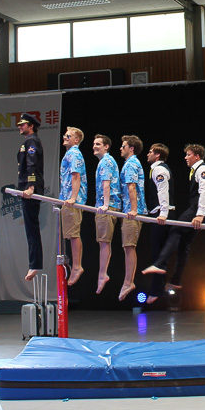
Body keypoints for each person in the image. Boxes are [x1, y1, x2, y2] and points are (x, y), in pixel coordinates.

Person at [142, 144, 205, 289]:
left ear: (197, 156)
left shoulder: (203, 170)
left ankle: (160, 264)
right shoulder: (195, 170)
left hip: (199, 208)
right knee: (184, 243)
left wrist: (200, 214)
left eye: (188, 155)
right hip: (198, 208)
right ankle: (176, 280)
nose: (185, 157)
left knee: (175, 229)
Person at [118, 135, 147, 301]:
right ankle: (128, 281)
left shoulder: (131, 164)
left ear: (131, 148)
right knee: (127, 246)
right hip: (129, 209)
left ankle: (128, 282)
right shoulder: (131, 163)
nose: (120, 149)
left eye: (123, 146)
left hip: (133, 210)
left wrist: (134, 209)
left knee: (129, 246)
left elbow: (132, 187)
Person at [144, 143, 175, 304]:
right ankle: (159, 288)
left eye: (150, 152)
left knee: (158, 253)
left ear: (157, 155)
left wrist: (163, 214)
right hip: (160, 212)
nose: (147, 154)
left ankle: (157, 290)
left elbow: (163, 191)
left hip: (162, 214)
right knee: (159, 254)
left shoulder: (159, 170)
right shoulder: (155, 169)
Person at [16, 113, 44, 282]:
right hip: (26, 188)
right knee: (30, 228)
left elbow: (32, 165)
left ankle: (35, 264)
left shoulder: (32, 141)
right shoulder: (27, 141)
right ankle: (34, 263)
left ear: (31, 126)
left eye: (23, 124)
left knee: (32, 228)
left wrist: (31, 186)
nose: (20, 126)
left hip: (30, 189)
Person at [92, 134, 121, 294]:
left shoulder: (106, 162)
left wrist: (105, 204)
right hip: (107, 205)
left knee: (104, 241)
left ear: (106, 146)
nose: (94, 146)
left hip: (108, 206)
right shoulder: (105, 161)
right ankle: (102, 274)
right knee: (103, 242)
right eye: (94, 144)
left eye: (98, 144)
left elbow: (106, 184)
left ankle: (102, 274)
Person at [59, 126, 87, 286]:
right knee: (70, 234)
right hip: (67, 198)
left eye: (68, 136)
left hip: (73, 199)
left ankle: (77, 266)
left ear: (76, 140)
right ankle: (75, 264)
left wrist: (73, 198)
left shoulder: (74, 153)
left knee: (74, 234)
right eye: (65, 135)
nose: (65, 137)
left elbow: (76, 176)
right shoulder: (69, 153)